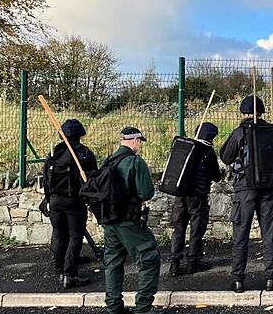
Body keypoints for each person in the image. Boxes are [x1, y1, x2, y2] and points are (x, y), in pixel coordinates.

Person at [220, 95, 273, 293]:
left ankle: (238, 280)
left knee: (241, 233)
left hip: (245, 188)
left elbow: (226, 157)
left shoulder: (239, 132)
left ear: (244, 113)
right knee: (268, 232)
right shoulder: (272, 131)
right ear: (260, 112)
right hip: (269, 187)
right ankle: (271, 278)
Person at [102, 127, 161, 314]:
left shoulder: (108, 161)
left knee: (113, 262)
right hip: (129, 221)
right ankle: (143, 308)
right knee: (149, 258)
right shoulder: (135, 162)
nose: (140, 145)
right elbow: (146, 193)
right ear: (134, 140)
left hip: (110, 221)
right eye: (139, 141)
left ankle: (114, 307)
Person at [43, 119, 97, 288]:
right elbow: (92, 180)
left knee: (59, 233)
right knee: (75, 236)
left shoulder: (54, 153)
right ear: (80, 134)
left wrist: (48, 199)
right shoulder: (85, 154)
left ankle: (59, 269)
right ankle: (70, 274)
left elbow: (46, 178)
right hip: (74, 200)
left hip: (55, 200)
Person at [169, 122, 222, 277]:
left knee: (178, 229)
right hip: (197, 196)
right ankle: (194, 261)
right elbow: (216, 176)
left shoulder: (185, 146)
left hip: (180, 195)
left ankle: (174, 263)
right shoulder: (207, 151)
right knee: (197, 228)